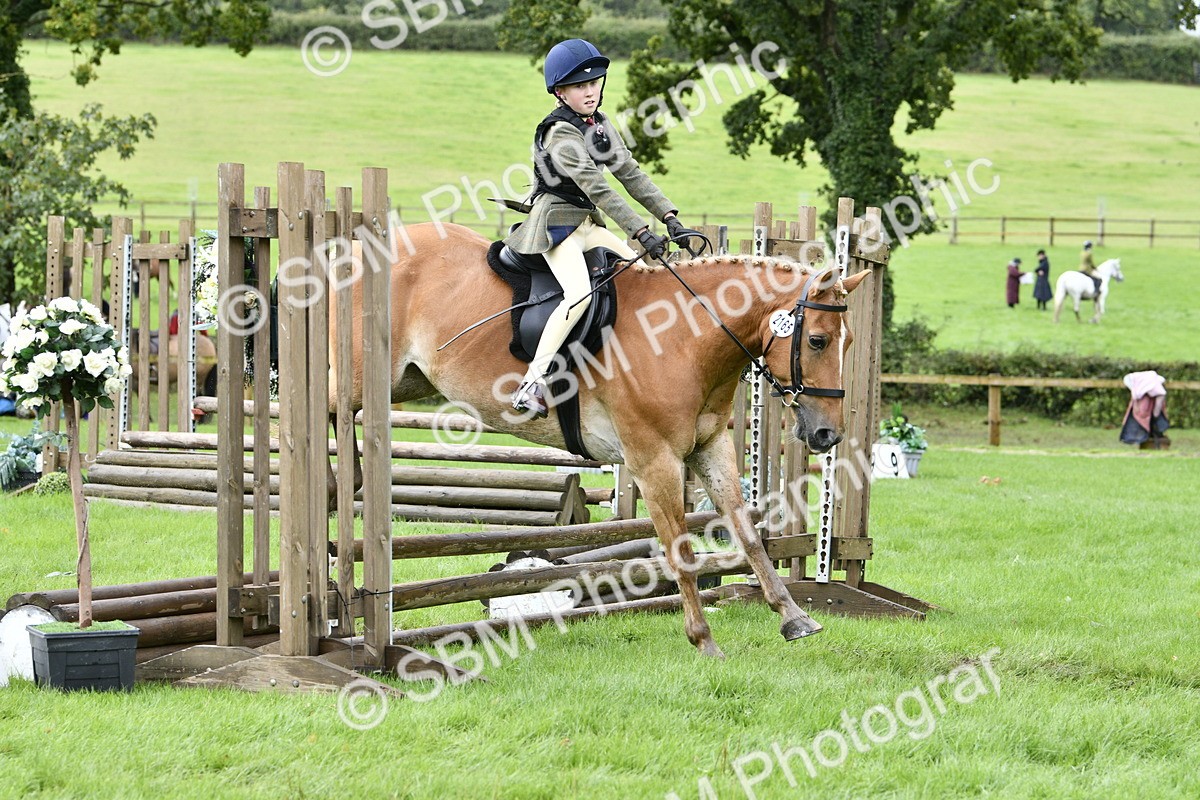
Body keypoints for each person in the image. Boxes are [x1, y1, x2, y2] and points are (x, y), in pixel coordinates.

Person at [504, 38, 687, 418]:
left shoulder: (600, 126)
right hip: (556, 226)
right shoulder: (559, 133)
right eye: (579, 86)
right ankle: (532, 382)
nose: (590, 91)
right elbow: (598, 187)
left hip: (588, 224)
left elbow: (630, 175)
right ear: (560, 92)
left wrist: (670, 218)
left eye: (594, 83)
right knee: (578, 295)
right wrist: (640, 231)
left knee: (646, 277)